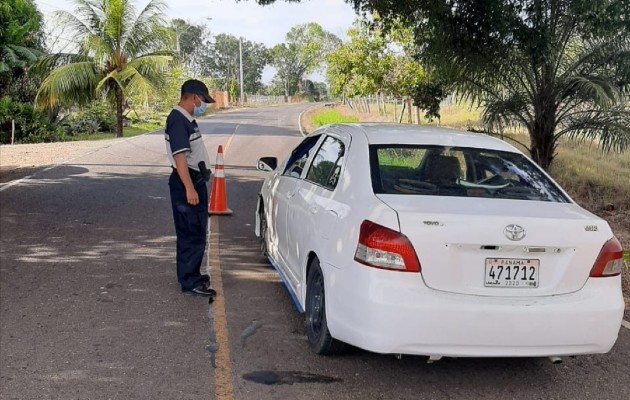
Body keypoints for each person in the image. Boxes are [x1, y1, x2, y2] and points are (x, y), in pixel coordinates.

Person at [165, 79, 216, 297]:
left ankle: (192, 273)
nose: (202, 104)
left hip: (194, 180)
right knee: (190, 232)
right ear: (193, 96)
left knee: (196, 230)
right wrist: (189, 188)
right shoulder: (178, 120)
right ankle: (189, 281)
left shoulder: (186, 119)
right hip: (187, 180)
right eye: (202, 100)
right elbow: (180, 158)